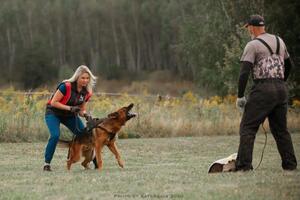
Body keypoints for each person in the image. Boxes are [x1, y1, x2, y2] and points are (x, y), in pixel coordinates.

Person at [235, 15, 297, 171]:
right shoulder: (279, 41)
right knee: (281, 130)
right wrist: (280, 81)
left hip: (263, 89)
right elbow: (289, 65)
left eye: (248, 27)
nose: (248, 30)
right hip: (281, 90)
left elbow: (244, 73)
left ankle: (243, 166)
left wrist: (240, 96)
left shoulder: (253, 45)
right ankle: (290, 165)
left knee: (248, 127)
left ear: (252, 27)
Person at [43, 65, 97, 171]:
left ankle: (94, 162)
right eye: (83, 78)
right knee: (55, 135)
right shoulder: (65, 86)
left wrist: (85, 115)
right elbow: (54, 102)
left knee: (86, 134)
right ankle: (47, 164)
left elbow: (82, 110)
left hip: (69, 116)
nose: (85, 80)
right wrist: (70, 108)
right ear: (77, 77)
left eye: (87, 78)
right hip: (53, 113)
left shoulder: (87, 92)